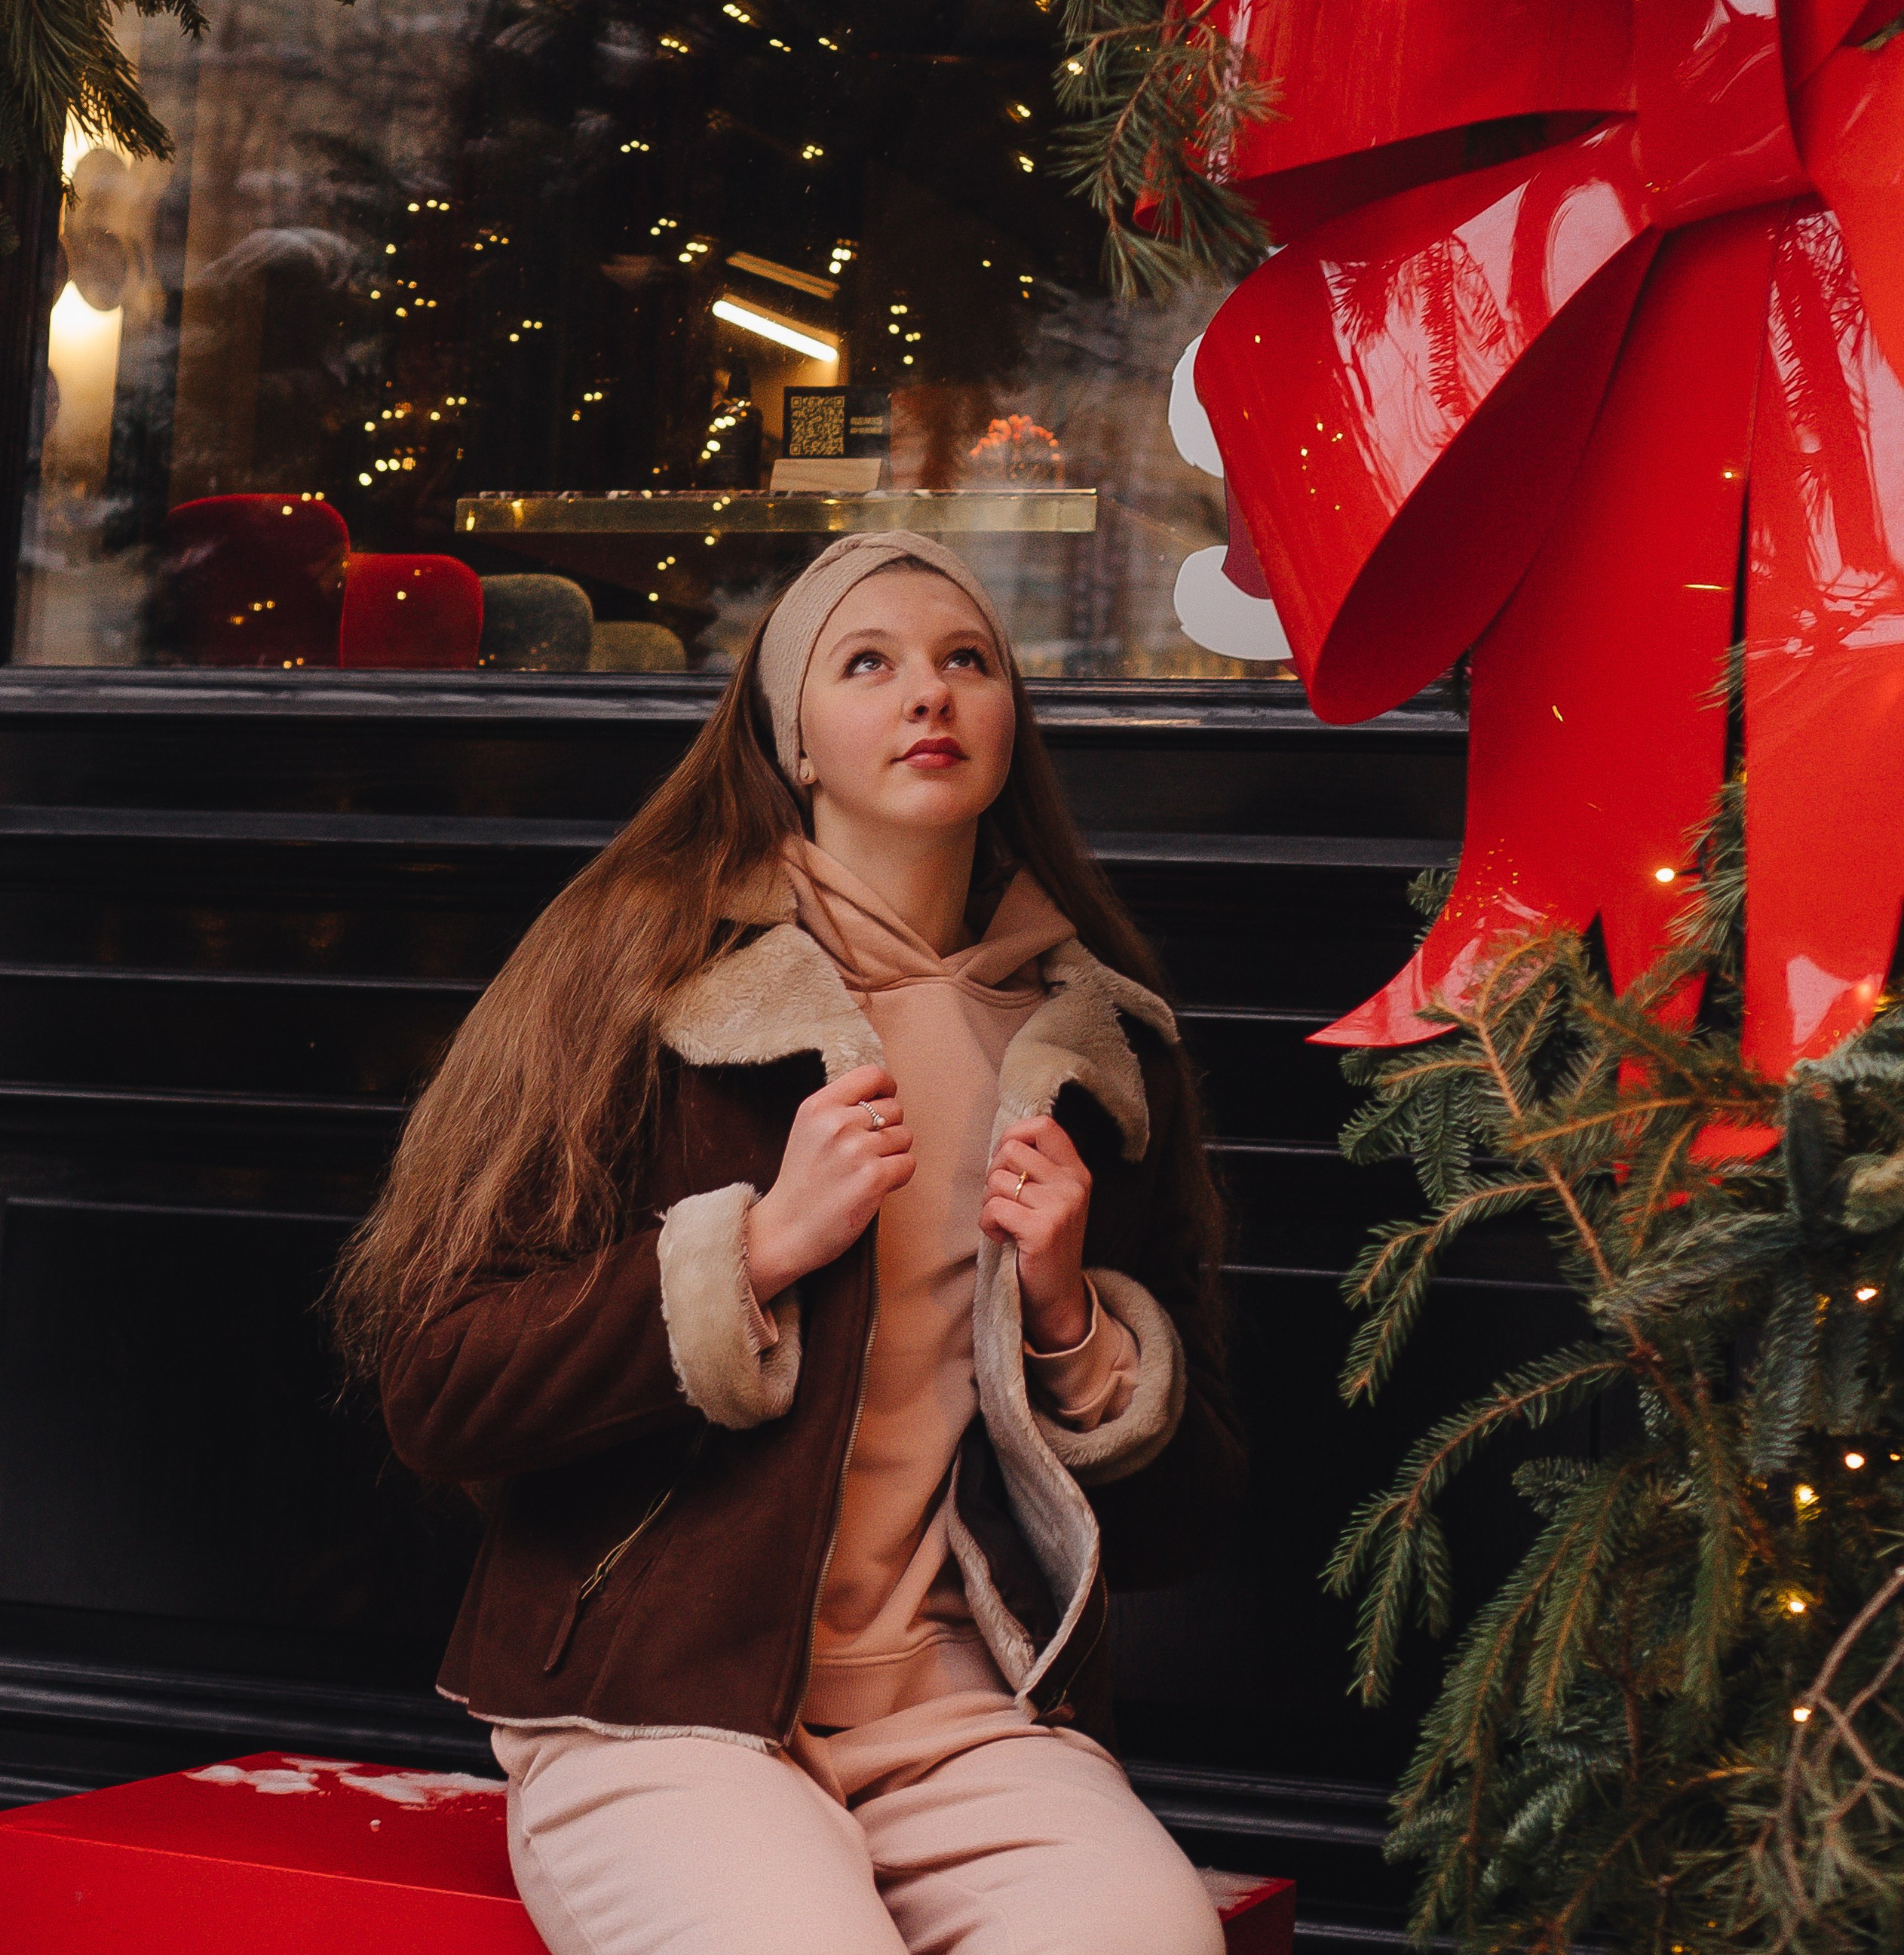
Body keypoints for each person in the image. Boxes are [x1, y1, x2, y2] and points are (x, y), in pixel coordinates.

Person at [333, 531, 1243, 1955]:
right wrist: (747, 1254)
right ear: (791, 740)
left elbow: (1187, 1524)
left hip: (964, 1716)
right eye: (867, 663)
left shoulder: (1101, 1047)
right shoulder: (644, 973)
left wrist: (1074, 1325)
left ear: (1013, 720)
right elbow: (439, 1386)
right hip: (662, 1709)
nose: (928, 695)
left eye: (967, 662)